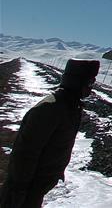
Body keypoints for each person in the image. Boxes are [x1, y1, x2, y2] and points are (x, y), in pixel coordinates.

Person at [0, 58, 99, 208]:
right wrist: (18, 191)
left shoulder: (70, 106)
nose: (91, 89)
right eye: (89, 83)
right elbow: (26, 152)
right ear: (77, 82)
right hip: (24, 190)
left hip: (36, 187)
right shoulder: (51, 108)